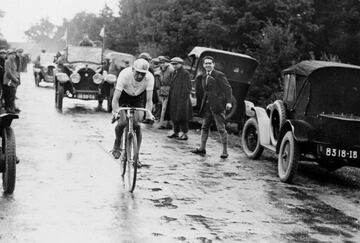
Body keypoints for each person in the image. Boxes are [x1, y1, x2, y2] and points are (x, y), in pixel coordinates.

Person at [111, 58, 155, 166]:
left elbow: (149, 100)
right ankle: (117, 143)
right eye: (138, 73)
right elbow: (115, 98)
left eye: (143, 74)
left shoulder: (149, 78)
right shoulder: (124, 75)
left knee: (137, 125)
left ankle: (136, 156)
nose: (140, 76)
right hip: (123, 96)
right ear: (132, 69)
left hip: (138, 97)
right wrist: (116, 112)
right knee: (121, 123)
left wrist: (148, 112)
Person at [191, 56, 232, 158]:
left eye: (210, 63)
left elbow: (228, 89)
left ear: (213, 64)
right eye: (206, 63)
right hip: (207, 106)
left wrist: (229, 102)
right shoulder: (204, 76)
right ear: (203, 65)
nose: (208, 65)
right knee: (204, 127)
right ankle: (202, 148)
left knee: (221, 128)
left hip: (218, 106)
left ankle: (225, 151)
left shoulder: (219, 75)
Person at [166, 57, 193, 140]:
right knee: (174, 116)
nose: (174, 65)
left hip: (182, 100)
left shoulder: (185, 73)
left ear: (181, 64)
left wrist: (183, 99)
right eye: (173, 64)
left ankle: (185, 133)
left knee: (182, 117)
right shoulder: (174, 73)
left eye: (176, 64)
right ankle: (176, 132)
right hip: (174, 98)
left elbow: (188, 87)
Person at [157, 56, 174, 129]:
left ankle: (161, 124)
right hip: (162, 91)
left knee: (164, 108)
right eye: (161, 63)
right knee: (164, 108)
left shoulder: (171, 70)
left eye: (164, 62)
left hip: (169, 91)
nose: (162, 64)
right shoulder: (161, 70)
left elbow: (173, 81)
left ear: (168, 62)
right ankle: (167, 123)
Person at [3, 49, 20, 113]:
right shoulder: (7, 62)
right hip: (8, 81)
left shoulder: (14, 62)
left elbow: (14, 71)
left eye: (14, 54)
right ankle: (9, 108)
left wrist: (17, 78)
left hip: (13, 81)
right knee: (9, 95)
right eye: (11, 54)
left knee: (12, 95)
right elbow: (8, 73)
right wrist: (15, 79)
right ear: (8, 55)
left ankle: (11, 108)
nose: (13, 56)